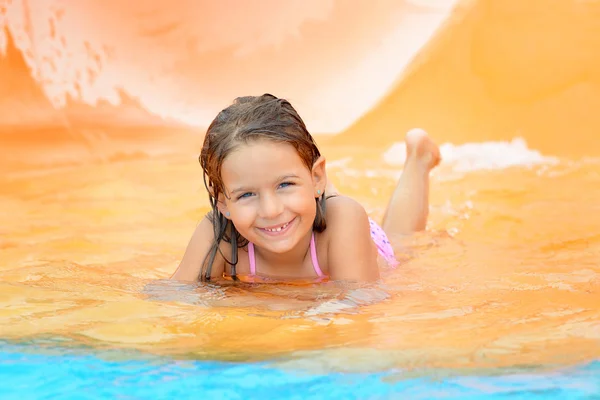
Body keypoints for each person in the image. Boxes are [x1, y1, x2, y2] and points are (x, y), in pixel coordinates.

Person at [171, 94, 440, 283]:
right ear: (223, 204)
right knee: (297, 197)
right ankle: (298, 181)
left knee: (402, 241)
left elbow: (358, 303)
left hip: (335, 230)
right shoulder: (218, 234)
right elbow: (174, 297)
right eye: (247, 194)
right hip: (307, 208)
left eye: (284, 184)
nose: (271, 210)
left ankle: (419, 159)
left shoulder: (345, 220)